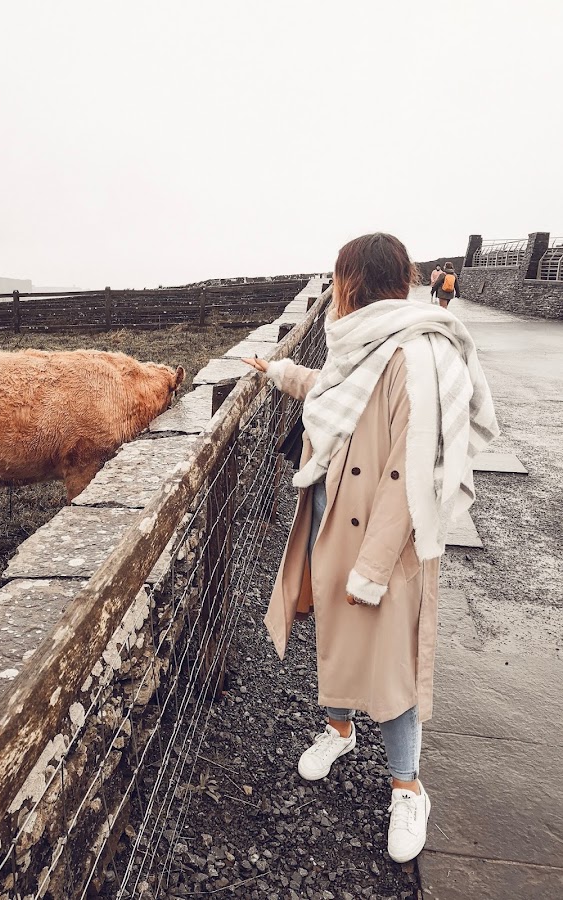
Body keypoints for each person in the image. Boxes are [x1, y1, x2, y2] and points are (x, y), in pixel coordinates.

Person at [243, 233, 498, 864]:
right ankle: (337, 729)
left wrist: (374, 568)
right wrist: (277, 373)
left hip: (389, 540)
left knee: (393, 664)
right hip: (334, 516)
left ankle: (409, 788)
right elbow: (335, 394)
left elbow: (411, 479)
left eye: (336, 281)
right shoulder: (363, 339)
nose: (331, 294)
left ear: (352, 282)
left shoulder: (418, 354)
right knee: (332, 632)